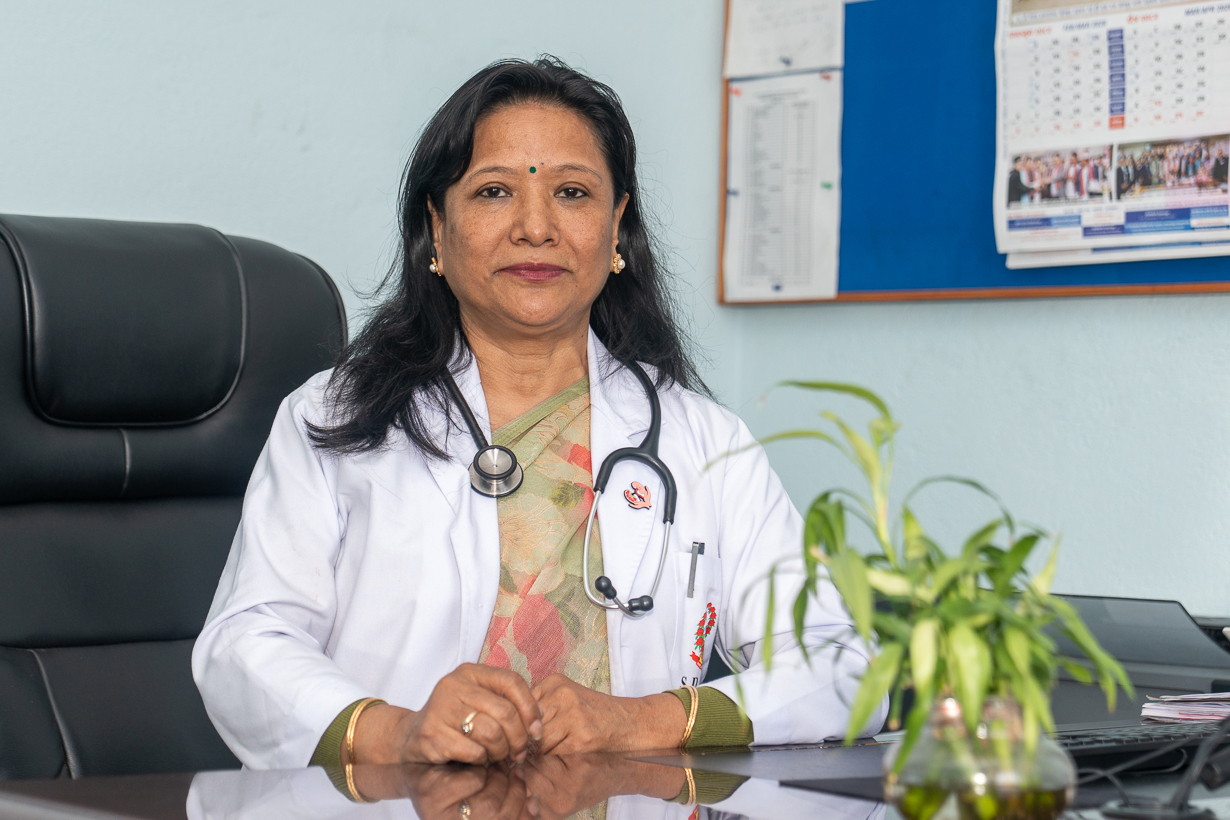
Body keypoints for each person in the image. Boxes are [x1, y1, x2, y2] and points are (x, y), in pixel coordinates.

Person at [192, 57, 878, 776]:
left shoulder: (704, 443)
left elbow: (840, 664)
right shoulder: (334, 420)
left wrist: (645, 720)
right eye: (494, 191)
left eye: (572, 192)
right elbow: (245, 647)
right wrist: (400, 734)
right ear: (437, 229)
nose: (536, 227)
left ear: (616, 229)